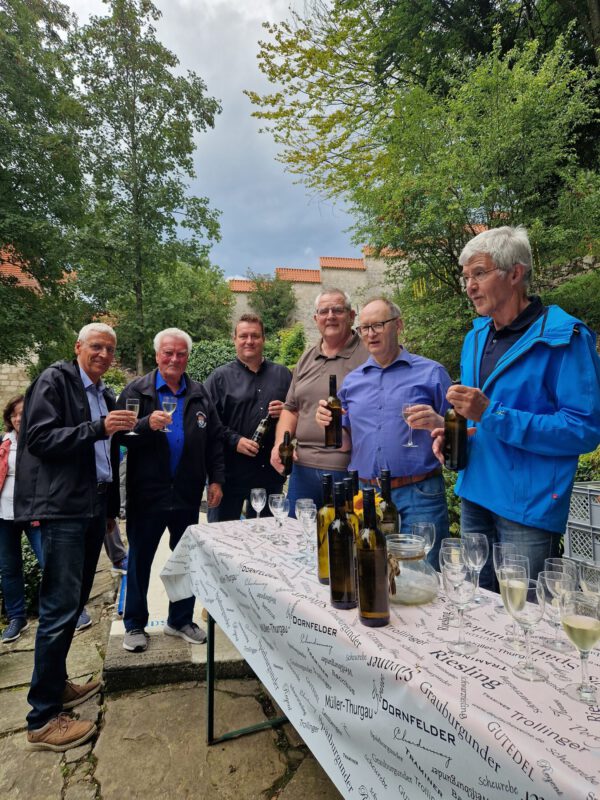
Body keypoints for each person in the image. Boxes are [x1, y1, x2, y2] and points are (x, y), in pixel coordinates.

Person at [432, 225, 600, 588]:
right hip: (475, 490)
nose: (469, 286)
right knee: (478, 607)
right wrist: (455, 433)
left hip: (528, 507)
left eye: (479, 273)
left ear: (515, 273)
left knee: (523, 618)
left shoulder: (565, 338)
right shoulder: (475, 337)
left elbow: (583, 431)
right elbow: (479, 419)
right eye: (466, 277)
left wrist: (491, 413)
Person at [15, 323, 137, 751]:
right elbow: (38, 439)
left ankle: (57, 685)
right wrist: (97, 428)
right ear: (79, 347)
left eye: (110, 349)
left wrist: (107, 512)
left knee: (72, 605)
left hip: (90, 509)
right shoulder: (55, 380)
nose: (103, 354)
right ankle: (42, 719)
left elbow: (105, 457)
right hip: (62, 509)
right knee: (57, 609)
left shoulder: (103, 394)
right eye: (96, 347)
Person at [316, 298, 451, 566]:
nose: (370, 334)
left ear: (398, 325)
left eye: (377, 325)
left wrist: (440, 422)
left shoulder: (432, 373)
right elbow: (345, 444)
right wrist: (327, 423)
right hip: (367, 495)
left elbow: (459, 435)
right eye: (364, 328)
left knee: (423, 578)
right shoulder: (352, 382)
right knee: (371, 576)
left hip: (419, 493)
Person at [117, 327, 225, 653]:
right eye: (168, 353)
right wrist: (143, 425)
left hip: (187, 494)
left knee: (186, 561)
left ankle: (179, 620)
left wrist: (216, 479)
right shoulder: (136, 391)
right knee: (140, 561)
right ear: (157, 355)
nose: (174, 359)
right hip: (147, 494)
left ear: (187, 357)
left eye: (180, 354)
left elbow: (215, 440)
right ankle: (135, 625)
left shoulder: (200, 393)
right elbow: (117, 436)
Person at [270, 288, 368, 512]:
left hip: (347, 470)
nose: (330, 316)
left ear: (352, 316)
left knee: (343, 541)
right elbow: (291, 409)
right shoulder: (307, 357)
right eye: (324, 311)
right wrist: (279, 444)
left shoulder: (367, 355)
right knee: (300, 540)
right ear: (316, 319)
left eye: (338, 310)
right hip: (302, 470)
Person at [204, 313, 292, 521]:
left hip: (269, 476)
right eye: (243, 336)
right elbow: (207, 423)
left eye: (255, 336)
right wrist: (235, 441)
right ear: (234, 339)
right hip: (229, 476)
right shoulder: (219, 378)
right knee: (223, 541)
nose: (249, 341)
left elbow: (298, 414)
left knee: (268, 541)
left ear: (264, 339)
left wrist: (286, 412)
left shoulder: (283, 375)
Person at [0, 395, 44, 643]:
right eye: (14, 414)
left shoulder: (39, 440)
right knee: (9, 568)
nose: (19, 418)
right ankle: (17, 618)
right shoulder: (3, 442)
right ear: (9, 418)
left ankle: (68, 610)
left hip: (33, 512)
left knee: (49, 562)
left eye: (23, 413)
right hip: (3, 514)